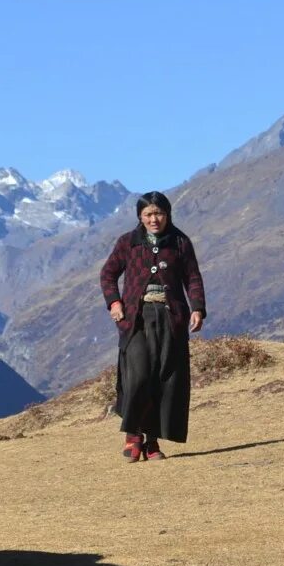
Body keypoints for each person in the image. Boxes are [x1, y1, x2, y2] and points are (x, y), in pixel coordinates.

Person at [99, 191, 206, 461]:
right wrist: (114, 303)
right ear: (140, 217)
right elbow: (108, 274)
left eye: (158, 213)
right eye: (148, 214)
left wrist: (197, 308)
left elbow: (192, 277)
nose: (154, 219)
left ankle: (152, 442)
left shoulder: (180, 242)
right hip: (136, 318)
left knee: (164, 379)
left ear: (167, 214)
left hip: (171, 317)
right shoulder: (128, 243)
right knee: (139, 375)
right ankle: (133, 435)